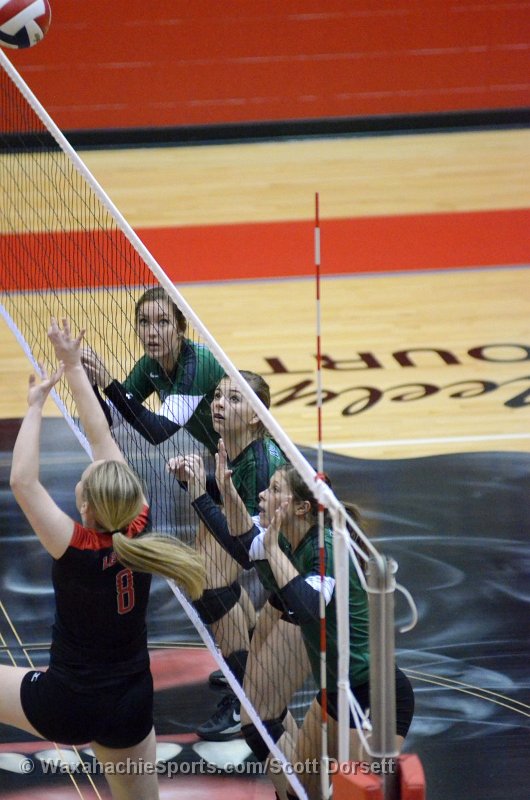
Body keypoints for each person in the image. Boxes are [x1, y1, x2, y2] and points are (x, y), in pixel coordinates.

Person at [3, 318, 206, 800]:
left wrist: (35, 405)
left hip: (66, 702)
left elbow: (22, 482)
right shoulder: (139, 527)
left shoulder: (76, 544)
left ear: (86, 507)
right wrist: (73, 367)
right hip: (128, 703)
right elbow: (100, 440)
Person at [185, 462, 415, 800]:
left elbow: (308, 607)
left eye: (275, 489)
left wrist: (272, 552)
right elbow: (239, 545)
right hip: (334, 693)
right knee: (298, 791)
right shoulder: (288, 539)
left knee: (361, 794)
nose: (262, 494)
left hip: (373, 697)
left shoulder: (327, 547)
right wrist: (201, 492)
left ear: (301, 508)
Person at [167, 371, 288, 741]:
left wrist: (197, 492)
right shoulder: (235, 446)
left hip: (292, 565)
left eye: (234, 399)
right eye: (218, 396)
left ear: (255, 416)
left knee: (207, 583)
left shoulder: (261, 463)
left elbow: (245, 548)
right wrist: (196, 479)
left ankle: (243, 700)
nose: (219, 404)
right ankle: (246, 664)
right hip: (266, 548)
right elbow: (229, 502)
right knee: (208, 570)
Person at [82, 286, 224, 455]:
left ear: (180, 329)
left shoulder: (199, 363)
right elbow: (108, 419)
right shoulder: (150, 365)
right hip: (220, 452)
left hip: (246, 455)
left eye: (163, 322)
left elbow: (158, 431)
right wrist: (91, 384)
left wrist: (108, 383)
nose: (152, 332)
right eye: (144, 322)